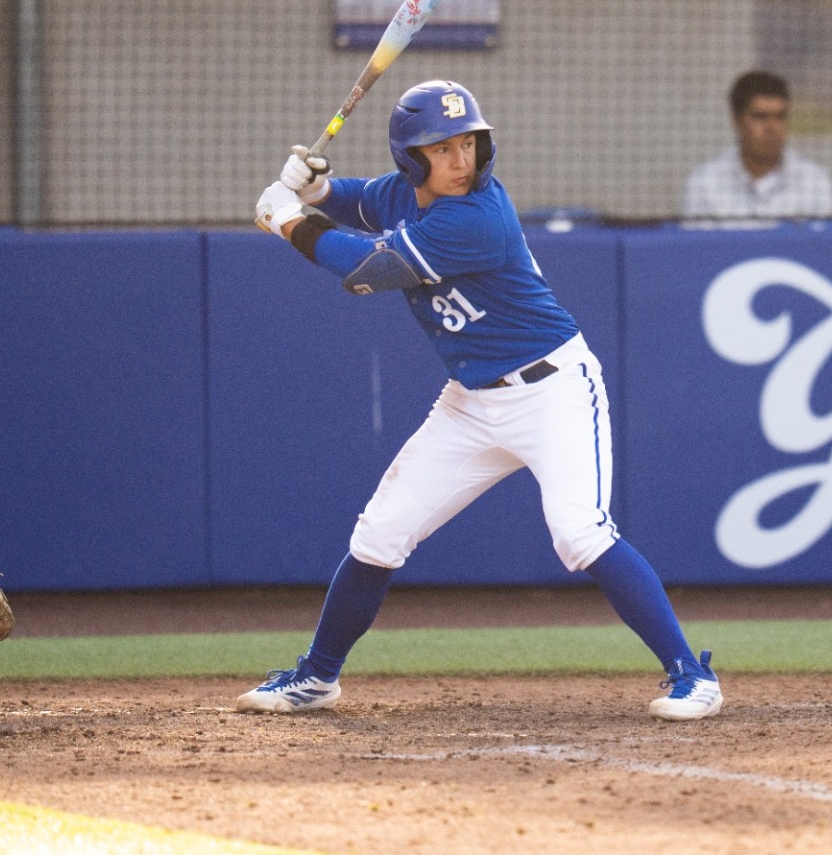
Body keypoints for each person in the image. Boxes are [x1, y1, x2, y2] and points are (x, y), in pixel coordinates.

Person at [243, 79, 722, 721]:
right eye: (441, 148)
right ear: (413, 159)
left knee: (580, 532)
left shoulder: (476, 216)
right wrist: (317, 187)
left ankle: (692, 676)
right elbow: (363, 200)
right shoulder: (408, 192)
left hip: (551, 390)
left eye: (468, 142)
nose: (460, 159)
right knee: (380, 534)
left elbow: (367, 271)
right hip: (469, 403)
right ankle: (317, 677)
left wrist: (287, 218)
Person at [682, 71, 832, 219]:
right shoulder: (705, 183)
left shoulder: (814, 182)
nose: (772, 128)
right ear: (737, 121)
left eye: (780, 117)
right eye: (760, 117)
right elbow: (697, 244)